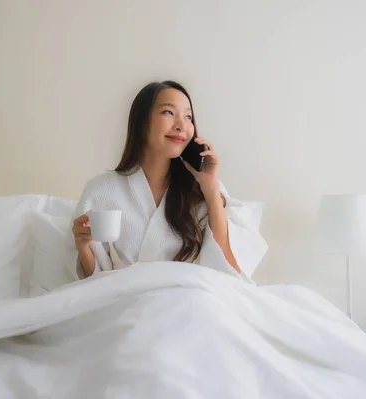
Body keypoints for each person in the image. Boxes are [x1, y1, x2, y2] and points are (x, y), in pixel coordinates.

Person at [70, 80, 268, 282]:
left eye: (188, 116)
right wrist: (83, 245)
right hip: (126, 303)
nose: (182, 125)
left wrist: (209, 187)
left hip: (188, 302)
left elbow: (228, 272)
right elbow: (95, 285)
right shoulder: (101, 190)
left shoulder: (203, 191)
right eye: (168, 112)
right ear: (142, 121)